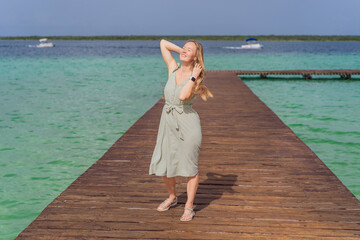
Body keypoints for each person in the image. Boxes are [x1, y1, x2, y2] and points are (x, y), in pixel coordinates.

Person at [148, 39, 213, 221]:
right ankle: (172, 197)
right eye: (183, 47)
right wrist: (183, 51)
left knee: (190, 166)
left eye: (188, 49)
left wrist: (193, 75)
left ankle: (189, 206)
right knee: (167, 162)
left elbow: (183, 96)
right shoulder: (173, 67)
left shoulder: (196, 76)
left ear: (195, 56)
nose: (184, 50)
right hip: (167, 122)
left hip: (188, 124)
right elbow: (163, 43)